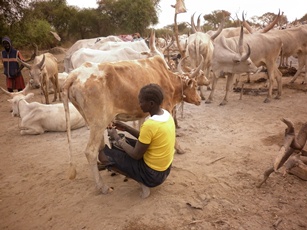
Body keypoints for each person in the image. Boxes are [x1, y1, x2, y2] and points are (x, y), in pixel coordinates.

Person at [98, 83, 176, 198]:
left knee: (105, 155)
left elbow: (135, 155)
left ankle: (143, 182)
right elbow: (146, 137)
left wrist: (116, 137)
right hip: (165, 170)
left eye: (141, 102)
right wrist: (126, 128)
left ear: (151, 104)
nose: (139, 104)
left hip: (152, 176)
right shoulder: (166, 115)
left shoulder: (150, 124)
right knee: (121, 140)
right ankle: (131, 169)